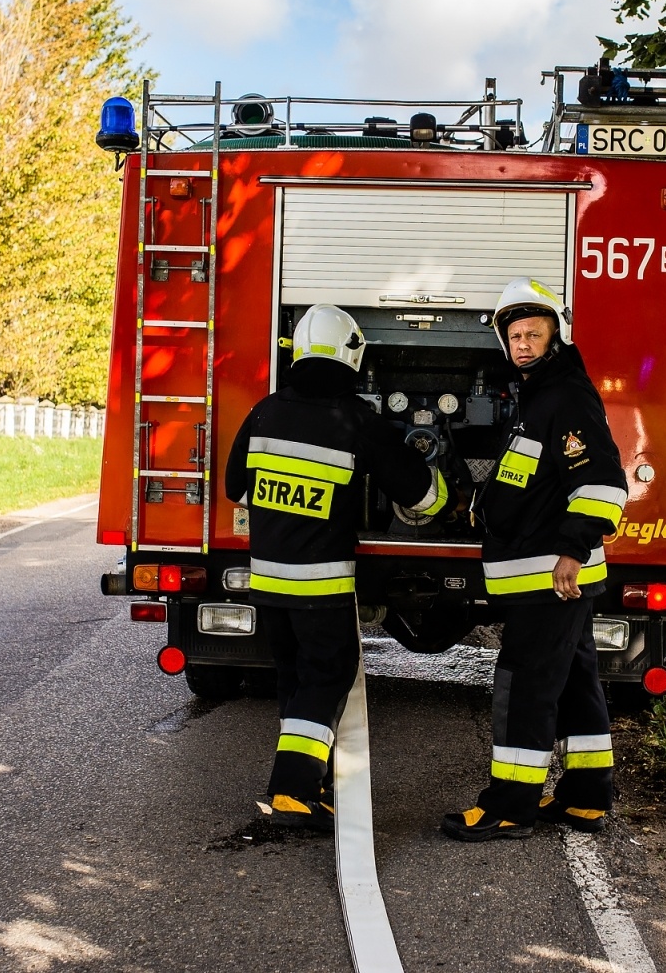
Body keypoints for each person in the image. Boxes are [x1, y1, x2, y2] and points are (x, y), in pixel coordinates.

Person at [226, 303, 449, 831]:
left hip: (268, 580)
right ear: (353, 356)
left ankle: (313, 782)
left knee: (297, 679)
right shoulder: (356, 420)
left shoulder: (264, 412)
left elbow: (235, 487)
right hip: (320, 582)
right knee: (329, 674)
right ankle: (292, 792)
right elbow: (421, 496)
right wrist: (444, 494)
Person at [443, 278, 628, 842]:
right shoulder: (540, 396)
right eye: (515, 335)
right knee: (573, 683)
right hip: (543, 575)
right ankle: (584, 799)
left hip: (551, 576)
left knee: (524, 685)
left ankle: (511, 806)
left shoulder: (565, 397)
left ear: (556, 336)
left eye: (534, 333)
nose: (523, 344)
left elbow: (601, 481)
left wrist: (573, 549)